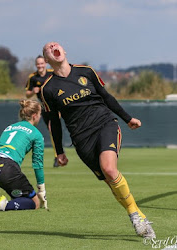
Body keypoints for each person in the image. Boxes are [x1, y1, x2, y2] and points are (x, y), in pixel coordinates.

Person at [41, 41, 155, 239]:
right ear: (47, 59)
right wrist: (59, 151)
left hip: (104, 124)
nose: (53, 47)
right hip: (82, 138)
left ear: (64, 51)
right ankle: (136, 214)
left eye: (55, 45)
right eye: (48, 48)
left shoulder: (86, 71)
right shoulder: (48, 88)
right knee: (111, 181)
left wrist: (127, 119)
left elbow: (106, 96)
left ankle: (136, 217)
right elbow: (54, 123)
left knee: (109, 169)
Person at [0, 99, 48, 213]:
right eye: (40, 114)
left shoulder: (10, 127)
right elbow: (37, 164)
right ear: (34, 115)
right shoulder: (36, 134)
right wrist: (41, 190)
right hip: (7, 168)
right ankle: (5, 205)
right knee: (34, 203)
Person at [25, 55, 59, 167]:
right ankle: (57, 155)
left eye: (42, 63)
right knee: (50, 129)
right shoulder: (33, 77)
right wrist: (33, 91)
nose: (40, 65)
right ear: (36, 65)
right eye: (38, 64)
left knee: (53, 127)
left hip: (56, 105)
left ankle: (58, 155)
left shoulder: (52, 74)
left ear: (45, 63)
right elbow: (27, 94)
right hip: (43, 107)